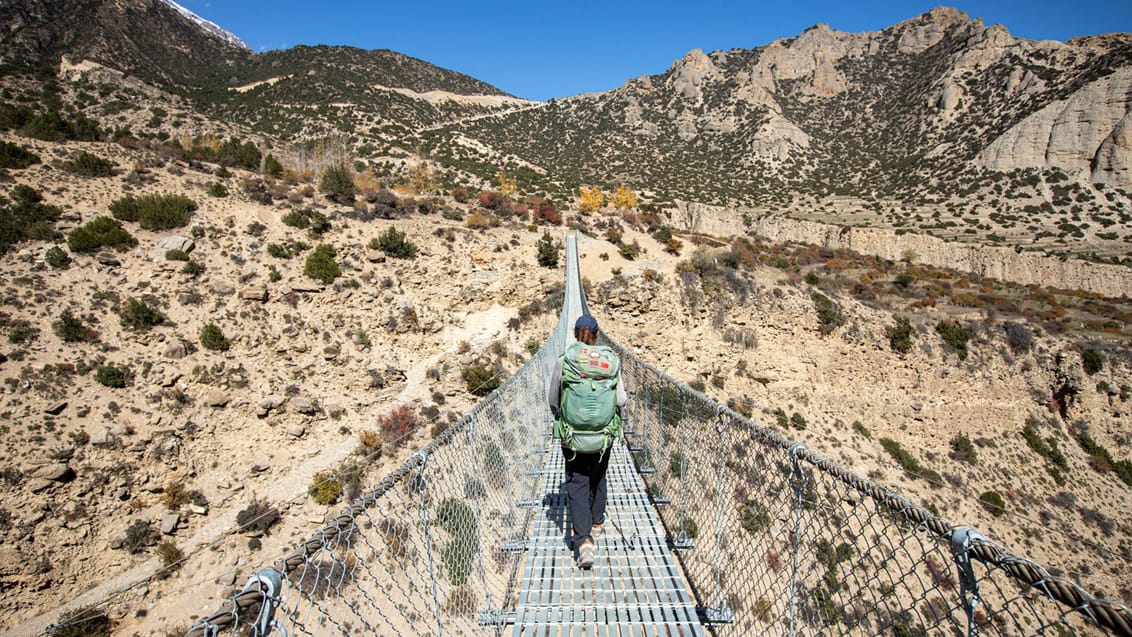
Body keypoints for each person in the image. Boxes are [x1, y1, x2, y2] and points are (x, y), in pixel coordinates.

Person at [548, 315, 628, 569]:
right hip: (604, 435)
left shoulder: (565, 361)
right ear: (596, 336)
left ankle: (584, 542)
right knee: (598, 474)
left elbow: (552, 399)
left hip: (573, 435)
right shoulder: (610, 362)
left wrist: (566, 417)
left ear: (574, 334)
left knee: (577, 482)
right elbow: (621, 400)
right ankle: (598, 522)